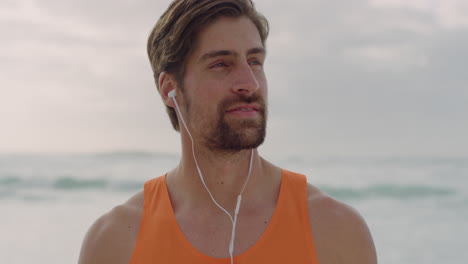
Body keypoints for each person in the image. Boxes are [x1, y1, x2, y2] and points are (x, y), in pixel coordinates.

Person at [78, 0, 377, 263]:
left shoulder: (335, 231)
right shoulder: (115, 242)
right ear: (171, 89)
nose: (250, 82)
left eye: (255, 61)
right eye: (222, 64)